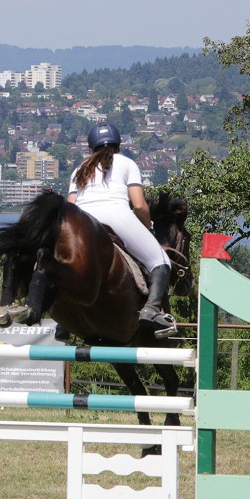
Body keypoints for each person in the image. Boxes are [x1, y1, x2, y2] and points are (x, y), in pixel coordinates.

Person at [67, 123, 177, 339]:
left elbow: (70, 205)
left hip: (82, 222)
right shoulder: (126, 163)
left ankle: (66, 319)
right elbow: (138, 205)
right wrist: (148, 228)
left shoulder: (79, 169)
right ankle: (151, 310)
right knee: (161, 261)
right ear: (118, 144)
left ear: (91, 147)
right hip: (116, 215)